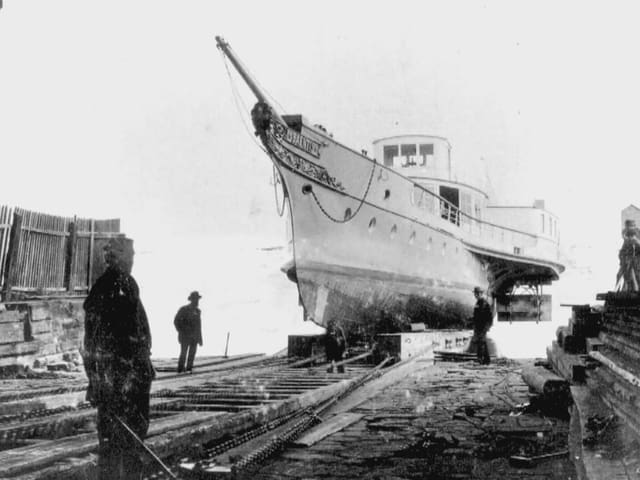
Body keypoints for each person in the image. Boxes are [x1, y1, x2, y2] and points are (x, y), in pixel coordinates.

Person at [82, 237, 155, 480]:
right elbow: (93, 341)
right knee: (118, 442)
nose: (133, 260)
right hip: (119, 378)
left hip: (130, 377)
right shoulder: (108, 288)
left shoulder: (126, 284)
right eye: (130, 256)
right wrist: (96, 380)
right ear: (118, 257)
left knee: (129, 438)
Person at [174, 291, 203, 373]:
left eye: (198, 299)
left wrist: (200, 339)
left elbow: (199, 326)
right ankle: (180, 369)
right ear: (191, 300)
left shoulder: (198, 311)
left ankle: (189, 369)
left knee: (192, 354)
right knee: (183, 353)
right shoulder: (184, 309)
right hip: (185, 336)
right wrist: (182, 331)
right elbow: (176, 321)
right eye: (195, 299)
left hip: (194, 337)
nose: (197, 301)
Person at [471, 286, 493, 365]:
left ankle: (480, 360)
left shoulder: (483, 303)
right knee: (482, 342)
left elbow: (487, 317)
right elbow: (476, 316)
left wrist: (486, 327)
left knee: (481, 342)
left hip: (483, 326)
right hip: (479, 326)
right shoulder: (478, 303)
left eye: (477, 294)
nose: (475, 295)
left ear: (480, 294)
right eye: (475, 294)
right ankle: (486, 360)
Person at [616, 220, 640, 292]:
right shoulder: (626, 242)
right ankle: (620, 290)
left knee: (635, 275)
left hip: (637, 263)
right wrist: (623, 259)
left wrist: (637, 242)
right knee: (620, 275)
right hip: (627, 263)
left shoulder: (636, 240)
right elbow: (622, 252)